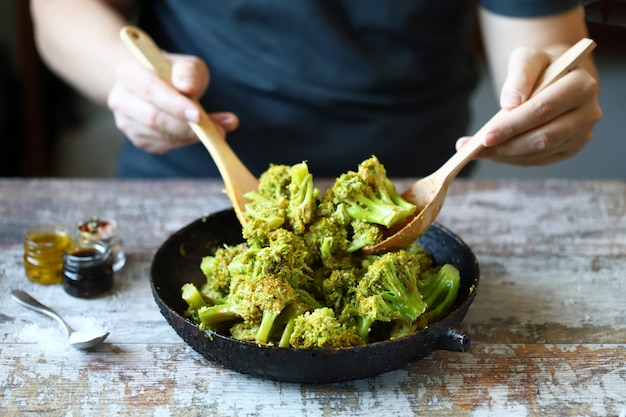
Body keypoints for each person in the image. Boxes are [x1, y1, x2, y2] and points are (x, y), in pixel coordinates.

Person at [30, 1, 602, 179]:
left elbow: (542, 37)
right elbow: (59, 12)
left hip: (420, 184)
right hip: (189, 175)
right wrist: (126, 79)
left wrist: (549, 92)